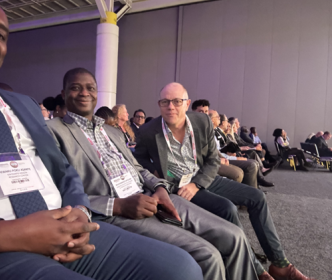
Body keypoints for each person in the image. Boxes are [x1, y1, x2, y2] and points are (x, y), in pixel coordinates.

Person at [0, 1, 205, 280]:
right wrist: (2, 234)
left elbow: (63, 170)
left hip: (66, 226)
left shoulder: (22, 104)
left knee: (181, 269)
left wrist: (80, 212)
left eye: (1, 34)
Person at [47, 67, 260, 280]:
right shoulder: (53, 131)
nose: (84, 93)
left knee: (235, 236)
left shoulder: (111, 132)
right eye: (76, 88)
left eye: (90, 88)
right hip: (118, 209)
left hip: (152, 195)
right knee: (208, 256)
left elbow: (138, 168)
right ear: (64, 94)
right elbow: (58, 191)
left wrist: (159, 187)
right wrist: (118, 205)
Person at [134, 82, 316, 280]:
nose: (171, 106)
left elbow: (212, 159)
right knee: (227, 209)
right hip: (178, 187)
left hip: (201, 177)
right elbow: (139, 158)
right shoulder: (148, 131)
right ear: (159, 104)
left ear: (187, 104)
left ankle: (281, 265)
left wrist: (197, 183)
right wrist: (156, 172)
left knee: (257, 197)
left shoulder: (202, 122)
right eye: (165, 102)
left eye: (177, 101)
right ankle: (258, 270)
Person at [209, 110, 262, 188]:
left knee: (252, 160)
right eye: (217, 117)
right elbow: (217, 151)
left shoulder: (216, 133)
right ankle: (252, 192)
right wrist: (234, 157)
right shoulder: (213, 133)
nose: (229, 126)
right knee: (249, 165)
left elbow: (219, 150)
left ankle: (256, 187)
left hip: (224, 156)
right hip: (219, 159)